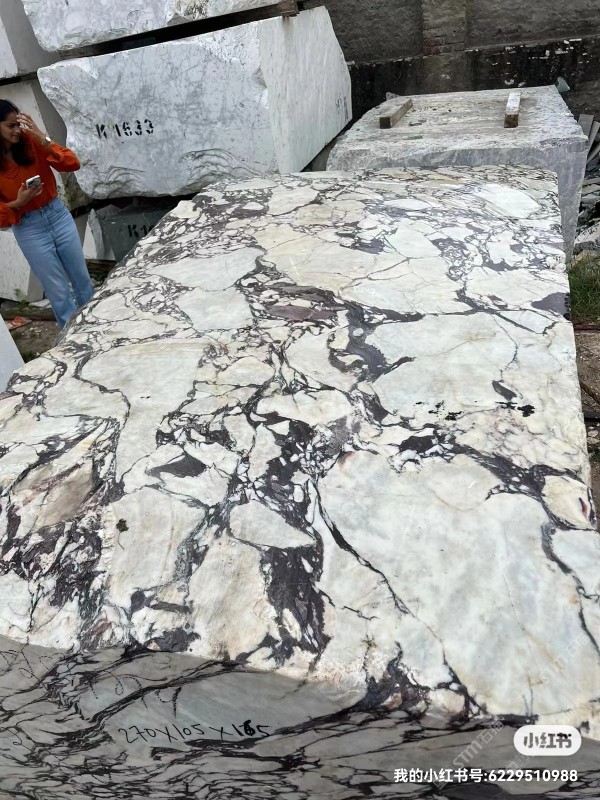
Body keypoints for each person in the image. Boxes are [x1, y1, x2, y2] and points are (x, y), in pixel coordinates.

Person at [0, 100, 93, 328]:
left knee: (83, 281)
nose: (17, 130)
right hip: (29, 227)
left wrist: (42, 137)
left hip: (57, 214)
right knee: (58, 292)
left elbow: (72, 163)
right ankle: (73, 339)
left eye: (19, 124)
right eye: (11, 126)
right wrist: (17, 203)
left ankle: (95, 328)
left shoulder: (30, 141)